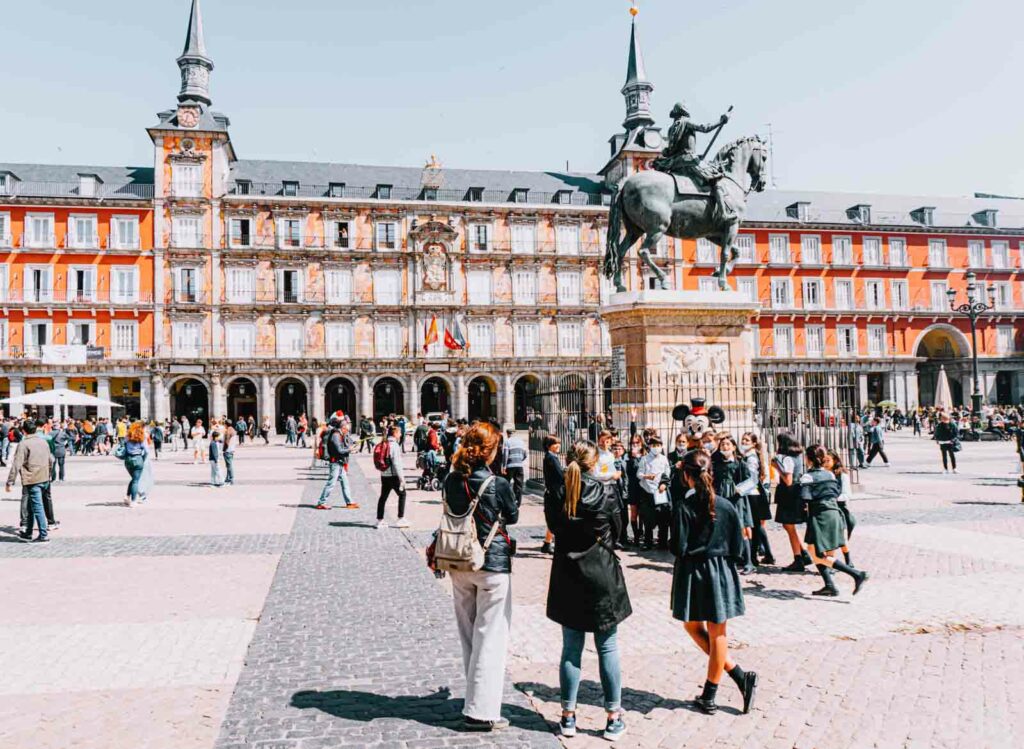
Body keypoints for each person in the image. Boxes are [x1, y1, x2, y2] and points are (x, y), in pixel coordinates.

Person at [544, 439, 630, 741]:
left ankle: (567, 717)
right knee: (607, 647)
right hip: (602, 574)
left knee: (571, 648)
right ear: (594, 463)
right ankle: (613, 717)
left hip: (569, 575)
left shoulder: (556, 492)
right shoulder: (606, 491)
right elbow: (620, 530)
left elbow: (553, 529)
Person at [441, 421, 519, 731]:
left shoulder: (450, 479)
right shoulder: (497, 483)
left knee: (469, 635)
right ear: (491, 451)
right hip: (492, 565)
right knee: (491, 636)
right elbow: (511, 516)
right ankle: (482, 711)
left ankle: (474, 698)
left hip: (459, 562)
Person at [670, 450, 757, 715]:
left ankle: (710, 694)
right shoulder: (726, 505)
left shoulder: (684, 506)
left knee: (698, 627)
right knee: (713, 630)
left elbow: (678, 546)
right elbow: (739, 545)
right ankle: (738, 675)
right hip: (721, 569)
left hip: (695, 570)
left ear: (687, 476)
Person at [800, 445, 869, 597]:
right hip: (834, 513)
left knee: (817, 554)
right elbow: (834, 492)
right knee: (815, 552)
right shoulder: (830, 475)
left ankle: (856, 574)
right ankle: (830, 585)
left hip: (819, 516)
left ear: (809, 459)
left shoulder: (808, 477)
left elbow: (805, 499)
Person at [711, 434, 757, 575]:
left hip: (737, 499)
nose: (725, 447)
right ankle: (729, 557)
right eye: (722, 445)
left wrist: (740, 489)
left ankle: (749, 561)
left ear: (733, 447)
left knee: (742, 529)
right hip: (721, 498)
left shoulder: (740, 463)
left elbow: (751, 480)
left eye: (727, 445)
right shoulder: (716, 464)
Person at [6, 419, 53, 542]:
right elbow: (50, 460)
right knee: (31, 506)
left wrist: (10, 482)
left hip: (32, 478)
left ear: (23, 431)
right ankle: (28, 532)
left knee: (37, 507)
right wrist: (50, 474)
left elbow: (16, 464)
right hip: (44, 477)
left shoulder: (24, 444)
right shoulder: (43, 442)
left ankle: (43, 534)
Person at [773, 432, 812, 573]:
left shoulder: (788, 459)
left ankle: (798, 558)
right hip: (794, 493)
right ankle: (803, 552)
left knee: (789, 526)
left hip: (789, 494)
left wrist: (777, 467)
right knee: (789, 526)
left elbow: (788, 480)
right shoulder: (798, 456)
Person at [316, 416, 360, 509]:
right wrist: (349, 449)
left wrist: (351, 445)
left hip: (340, 462)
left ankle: (349, 502)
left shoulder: (341, 434)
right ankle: (321, 502)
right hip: (335, 462)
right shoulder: (336, 435)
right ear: (343, 428)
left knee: (345, 483)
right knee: (331, 483)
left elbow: (345, 445)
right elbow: (339, 450)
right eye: (346, 430)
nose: (347, 432)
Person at [637, 435, 671, 549]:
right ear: (649, 446)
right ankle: (648, 542)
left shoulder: (664, 459)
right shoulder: (644, 459)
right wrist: (646, 476)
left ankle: (662, 542)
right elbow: (639, 474)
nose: (656, 448)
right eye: (654, 445)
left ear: (661, 446)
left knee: (663, 517)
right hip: (647, 491)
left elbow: (667, 473)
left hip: (660, 492)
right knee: (648, 518)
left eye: (658, 445)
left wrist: (664, 484)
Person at [376, 426, 408, 528]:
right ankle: (400, 518)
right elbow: (397, 464)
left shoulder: (383, 443)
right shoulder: (394, 445)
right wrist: (402, 479)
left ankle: (380, 520)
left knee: (383, 497)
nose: (401, 435)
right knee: (402, 495)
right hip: (394, 476)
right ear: (395, 433)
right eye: (399, 433)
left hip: (384, 474)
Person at [541, 435, 563, 554]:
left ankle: (547, 543)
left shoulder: (550, 456)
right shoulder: (551, 458)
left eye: (559, 443)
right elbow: (560, 475)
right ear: (549, 446)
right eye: (555, 444)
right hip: (555, 492)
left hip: (552, 490)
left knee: (553, 518)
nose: (558, 445)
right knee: (556, 518)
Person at [121, 421, 148, 507]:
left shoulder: (127, 436)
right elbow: (146, 451)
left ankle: (127, 497)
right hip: (138, 458)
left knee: (134, 479)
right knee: (135, 480)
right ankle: (133, 501)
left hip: (128, 459)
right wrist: (143, 459)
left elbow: (123, 445)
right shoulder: (142, 437)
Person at [502, 426, 527, 506]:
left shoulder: (507, 442)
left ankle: (507, 500)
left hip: (510, 465)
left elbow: (505, 455)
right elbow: (525, 454)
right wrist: (520, 460)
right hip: (519, 466)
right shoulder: (521, 442)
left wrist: (504, 466)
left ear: (508, 434)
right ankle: (517, 502)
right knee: (519, 485)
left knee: (506, 483)